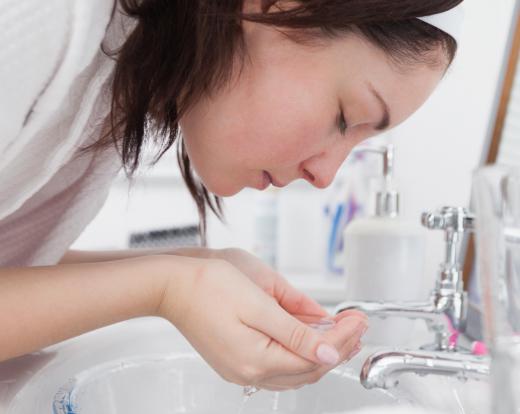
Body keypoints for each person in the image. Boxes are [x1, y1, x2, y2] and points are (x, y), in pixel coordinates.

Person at [0, 0, 463, 391]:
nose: (326, 176)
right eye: (346, 117)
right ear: (274, 7)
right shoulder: (45, 16)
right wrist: (166, 288)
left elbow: (13, 266)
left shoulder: (119, 62)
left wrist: (196, 271)